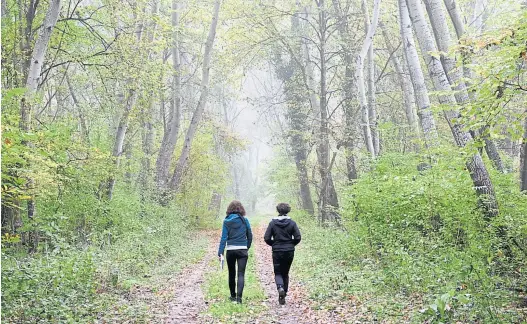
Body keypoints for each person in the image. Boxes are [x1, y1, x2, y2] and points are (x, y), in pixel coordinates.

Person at [264, 203, 301, 305]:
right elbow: (298, 237)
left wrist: (274, 244)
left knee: (278, 272)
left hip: (277, 251)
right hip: (289, 251)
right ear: (288, 210)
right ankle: (284, 292)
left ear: (278, 210)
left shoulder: (272, 223)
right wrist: (291, 244)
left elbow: (267, 238)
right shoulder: (292, 223)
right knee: (285, 273)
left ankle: (280, 288)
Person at [218, 200, 253, 304]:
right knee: (241, 274)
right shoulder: (244, 220)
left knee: (231, 273)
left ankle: (232, 296)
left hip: (230, 251)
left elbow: (224, 238)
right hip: (242, 250)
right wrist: (247, 246)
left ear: (229, 209)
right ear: (241, 209)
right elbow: (250, 234)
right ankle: (239, 298)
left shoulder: (226, 221)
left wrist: (220, 252)